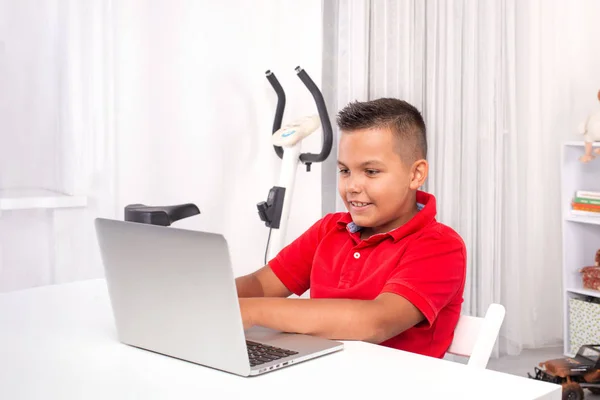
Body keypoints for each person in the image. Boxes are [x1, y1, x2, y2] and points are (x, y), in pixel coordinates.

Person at [236, 98, 466, 358]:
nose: (352, 186)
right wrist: (205, 295)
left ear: (415, 175)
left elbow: (375, 322)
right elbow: (261, 284)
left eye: (370, 172)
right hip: (319, 375)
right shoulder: (330, 229)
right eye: (345, 171)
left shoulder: (440, 245)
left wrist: (251, 311)